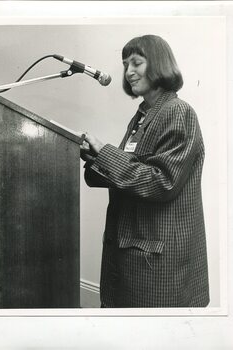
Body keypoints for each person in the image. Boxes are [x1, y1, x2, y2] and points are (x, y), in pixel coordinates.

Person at [80, 34, 210, 308]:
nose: (128, 72)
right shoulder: (142, 116)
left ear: (159, 64)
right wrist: (92, 158)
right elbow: (130, 171)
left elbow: (161, 182)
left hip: (158, 264)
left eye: (136, 63)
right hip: (133, 255)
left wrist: (105, 152)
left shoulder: (178, 112)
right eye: (125, 64)